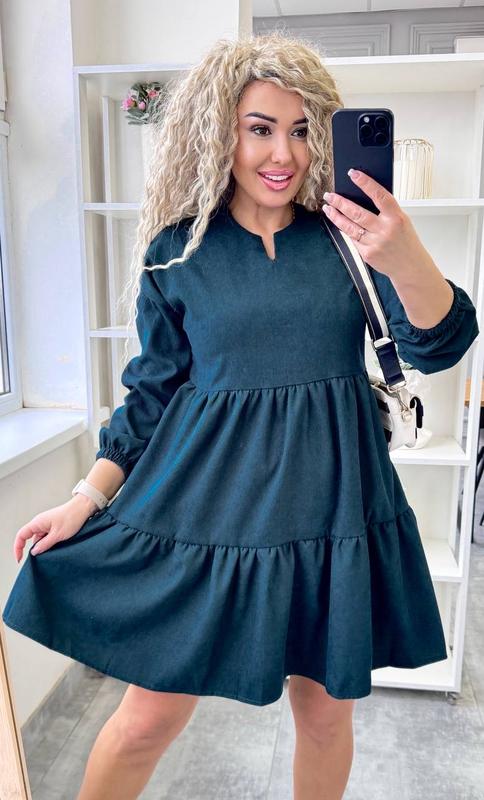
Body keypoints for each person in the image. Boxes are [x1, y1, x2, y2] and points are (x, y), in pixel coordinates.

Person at [2, 30, 479, 800]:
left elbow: (440, 342)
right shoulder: (176, 252)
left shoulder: (351, 239)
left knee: (324, 718)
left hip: (330, 510)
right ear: (218, 132)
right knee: (147, 720)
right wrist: (85, 498)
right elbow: (150, 394)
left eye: (300, 129)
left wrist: (405, 254)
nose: (281, 153)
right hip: (208, 511)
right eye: (259, 128)